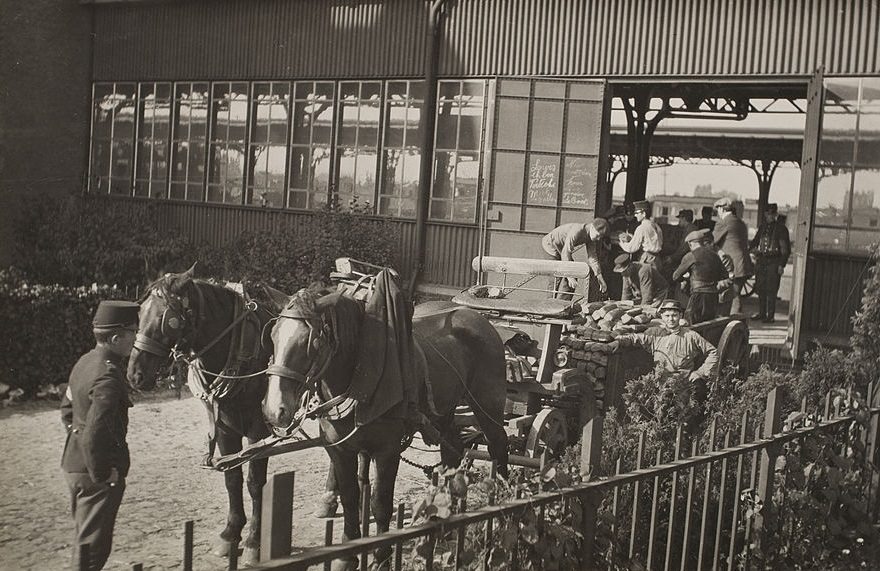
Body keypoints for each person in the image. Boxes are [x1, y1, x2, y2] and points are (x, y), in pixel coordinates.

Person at [61, 300, 139, 570]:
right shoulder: (108, 376)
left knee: (84, 543)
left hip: (74, 466)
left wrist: (78, 438)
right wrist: (103, 473)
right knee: (92, 553)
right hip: (97, 476)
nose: (135, 339)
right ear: (116, 338)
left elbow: (67, 410)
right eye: (133, 333)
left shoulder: (84, 362)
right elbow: (96, 430)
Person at [612, 299, 718, 382]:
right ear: (662, 316)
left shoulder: (690, 335)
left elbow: (713, 352)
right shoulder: (656, 334)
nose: (671, 319)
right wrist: (619, 340)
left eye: (674, 315)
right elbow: (636, 338)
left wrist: (700, 373)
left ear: (680, 316)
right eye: (667, 316)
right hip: (660, 382)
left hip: (684, 383)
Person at [541, 218, 610, 298]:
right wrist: (569, 276)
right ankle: (549, 304)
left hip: (562, 249)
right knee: (556, 277)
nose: (598, 239)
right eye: (598, 235)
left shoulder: (591, 238)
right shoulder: (577, 230)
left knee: (575, 273)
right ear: (592, 227)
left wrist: (600, 277)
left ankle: (563, 304)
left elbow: (592, 258)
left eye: (600, 237)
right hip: (550, 246)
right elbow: (565, 253)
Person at [673, 229, 728, 324]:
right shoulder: (715, 256)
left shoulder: (690, 256)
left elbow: (675, 276)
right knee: (708, 324)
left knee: (690, 322)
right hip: (713, 295)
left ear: (690, 244)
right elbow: (724, 275)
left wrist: (685, 279)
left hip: (698, 295)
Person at [750, 203, 791, 322]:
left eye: (772, 214)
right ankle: (762, 313)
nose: (770, 216)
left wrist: (781, 265)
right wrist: (753, 250)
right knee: (761, 288)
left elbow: (785, 250)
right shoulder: (762, 227)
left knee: (772, 290)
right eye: (768, 213)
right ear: (765, 214)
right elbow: (754, 242)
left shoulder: (781, 229)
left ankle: (770, 316)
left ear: (776, 214)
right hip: (761, 261)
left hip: (774, 262)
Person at [712, 197, 754, 315]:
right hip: (743, 264)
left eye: (718, 210)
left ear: (722, 209)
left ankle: (735, 323)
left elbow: (711, 241)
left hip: (733, 265)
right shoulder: (740, 222)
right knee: (735, 294)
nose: (718, 213)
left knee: (733, 296)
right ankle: (736, 321)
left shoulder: (723, 222)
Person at [619, 199, 663, 266]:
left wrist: (620, 242)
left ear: (644, 213)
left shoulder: (641, 228)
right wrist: (632, 237)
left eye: (637, 213)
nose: (635, 215)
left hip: (647, 259)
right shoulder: (656, 226)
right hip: (657, 259)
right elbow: (649, 240)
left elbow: (631, 248)